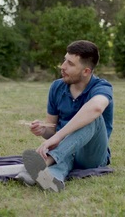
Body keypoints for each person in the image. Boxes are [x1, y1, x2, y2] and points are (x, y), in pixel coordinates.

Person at [21, 40, 113, 192]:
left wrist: (58, 137)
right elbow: (51, 128)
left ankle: (46, 161)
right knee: (63, 154)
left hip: (90, 155)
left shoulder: (102, 87)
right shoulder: (57, 87)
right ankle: (52, 179)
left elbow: (96, 108)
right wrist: (43, 131)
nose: (63, 66)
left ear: (86, 72)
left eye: (70, 63)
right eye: (64, 60)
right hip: (66, 151)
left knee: (93, 117)